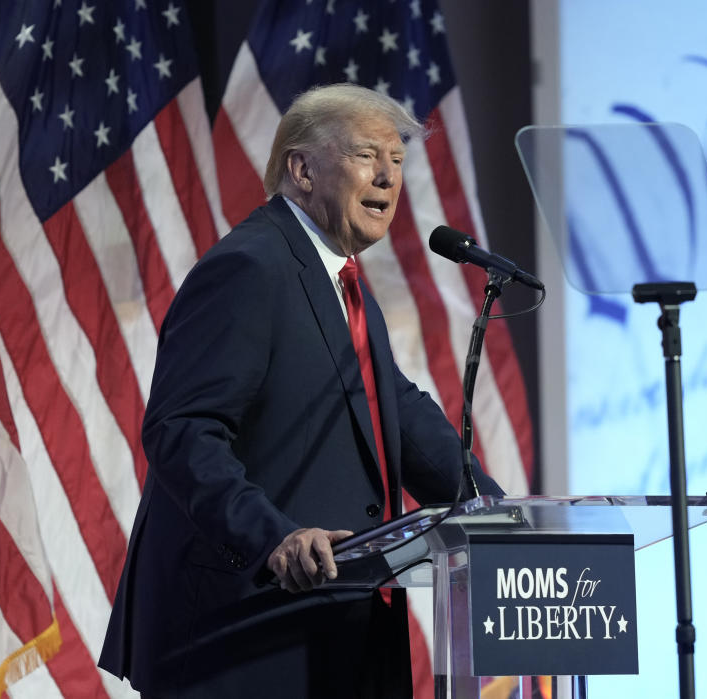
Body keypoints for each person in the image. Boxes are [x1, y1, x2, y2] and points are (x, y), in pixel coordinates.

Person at [99, 83, 504, 697]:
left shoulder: (340, 279)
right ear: (302, 168)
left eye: (397, 161)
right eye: (368, 155)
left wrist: (501, 517)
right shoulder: (250, 267)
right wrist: (274, 538)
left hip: (331, 630)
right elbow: (182, 431)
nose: (389, 178)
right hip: (242, 636)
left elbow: (395, 410)